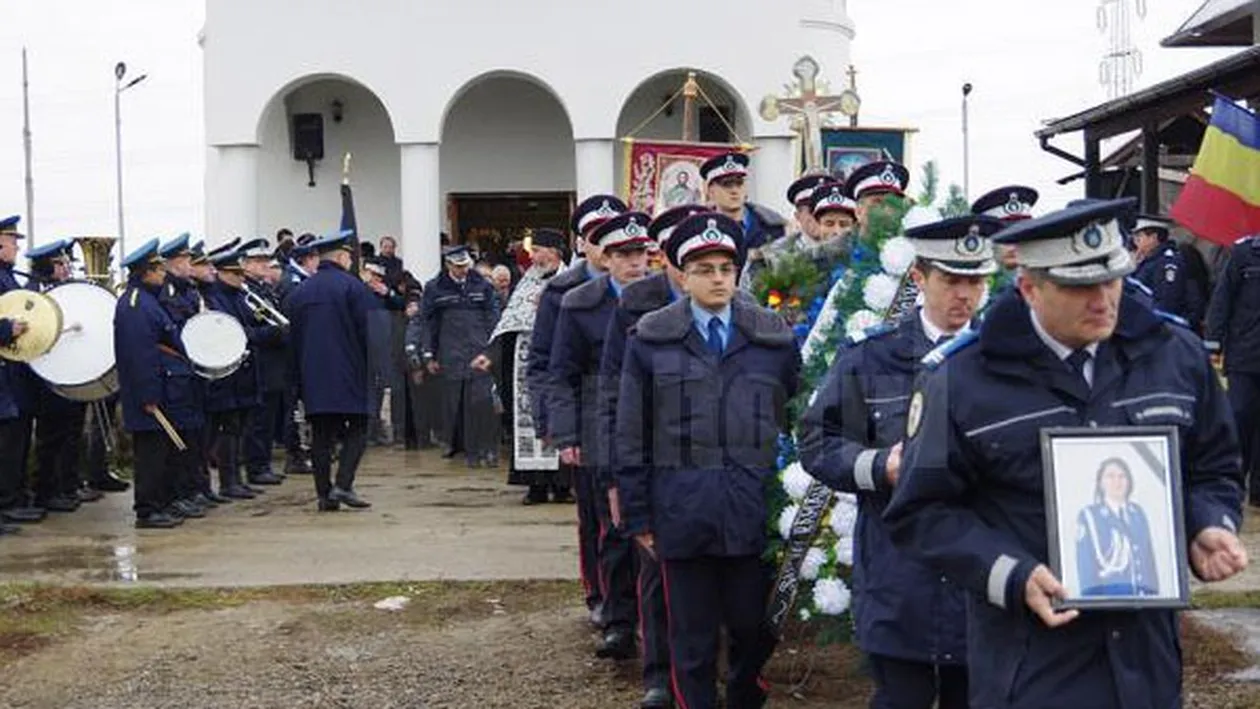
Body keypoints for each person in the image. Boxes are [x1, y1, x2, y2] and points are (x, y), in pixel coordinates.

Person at [884, 197, 1247, 708]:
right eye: (1079, 286)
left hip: (1145, 663)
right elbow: (922, 512)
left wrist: (1207, 522)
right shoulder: (964, 381)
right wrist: (1010, 573)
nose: (1103, 299)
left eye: (1113, 278)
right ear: (1030, 288)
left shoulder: (1173, 354)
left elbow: (1213, 467)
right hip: (1031, 661)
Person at [799, 214, 1004, 709]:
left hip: (980, 575)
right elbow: (817, 440)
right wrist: (877, 466)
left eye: (975, 280)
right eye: (950, 279)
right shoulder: (873, 358)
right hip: (899, 571)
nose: (964, 295)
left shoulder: (1002, 361)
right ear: (918, 277)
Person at [616, 213, 800, 709]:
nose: (718, 277)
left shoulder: (771, 337)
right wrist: (638, 516)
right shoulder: (652, 339)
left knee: (751, 629)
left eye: (726, 267)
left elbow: (795, 415)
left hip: (751, 509)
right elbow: (632, 433)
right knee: (691, 640)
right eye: (704, 268)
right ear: (681, 273)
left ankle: (743, 695)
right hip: (683, 512)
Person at [598, 203, 708, 709]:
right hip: (658, 458)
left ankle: (710, 667)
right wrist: (617, 479)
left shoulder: (737, 307)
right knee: (654, 569)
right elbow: (614, 393)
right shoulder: (636, 304)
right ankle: (659, 674)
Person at [551, 211, 653, 662]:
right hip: (600, 424)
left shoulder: (662, 298)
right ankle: (618, 620)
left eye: (641, 254)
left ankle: (655, 621)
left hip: (653, 425)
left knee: (650, 531)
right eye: (625, 255)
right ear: (606, 258)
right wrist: (567, 432)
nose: (635, 263)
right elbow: (560, 374)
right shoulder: (580, 303)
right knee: (612, 529)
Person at [527, 194, 626, 623]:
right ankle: (600, 595)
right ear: (582, 243)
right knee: (595, 516)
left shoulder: (644, 284)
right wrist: (555, 427)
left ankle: (632, 602)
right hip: (587, 420)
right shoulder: (563, 292)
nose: (606, 246)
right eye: (595, 237)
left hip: (635, 418)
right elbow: (545, 363)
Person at [284, 231, 379, 511]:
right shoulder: (353, 288)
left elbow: (292, 340)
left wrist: (296, 381)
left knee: (322, 436)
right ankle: (343, 484)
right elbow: (370, 332)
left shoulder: (300, 291)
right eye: (349, 256)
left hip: (312, 376)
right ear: (340, 257)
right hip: (350, 372)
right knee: (359, 428)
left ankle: (325, 495)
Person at [114, 239, 204, 529]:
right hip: (149, 395)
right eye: (157, 269)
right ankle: (148, 509)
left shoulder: (151, 301)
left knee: (163, 452)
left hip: (165, 389)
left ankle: (162, 502)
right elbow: (139, 356)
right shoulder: (135, 305)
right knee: (150, 455)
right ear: (144, 273)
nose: (163, 274)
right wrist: (148, 396)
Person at [24, 239, 92, 514]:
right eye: (59, 264)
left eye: (65, 263)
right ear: (45, 265)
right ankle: (46, 491)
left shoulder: (64, 292)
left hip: (70, 374)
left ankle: (68, 485)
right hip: (46, 378)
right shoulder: (32, 296)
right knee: (50, 437)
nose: (65, 269)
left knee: (71, 433)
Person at [204, 242, 274, 500]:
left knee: (239, 428)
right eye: (235, 274)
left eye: (241, 274)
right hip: (227, 375)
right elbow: (233, 333)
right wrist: (266, 333)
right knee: (228, 431)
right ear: (222, 272)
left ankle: (237, 478)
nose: (240, 279)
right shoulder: (216, 298)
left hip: (244, 374)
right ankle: (227, 481)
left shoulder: (237, 296)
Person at [421, 245, 500, 467]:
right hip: (451, 353)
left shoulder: (482, 286)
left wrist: (491, 350)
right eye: (458, 266)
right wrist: (429, 354)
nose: (463, 270)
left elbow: (493, 319)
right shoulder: (434, 288)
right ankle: (469, 451)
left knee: (483, 403)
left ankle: (489, 449)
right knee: (458, 405)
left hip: (479, 351)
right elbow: (429, 323)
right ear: (448, 265)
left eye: (465, 265)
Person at [155, 233, 214, 518]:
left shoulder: (189, 290)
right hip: (175, 372)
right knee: (180, 437)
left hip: (190, 373)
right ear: (171, 263)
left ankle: (194, 488)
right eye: (185, 260)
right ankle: (179, 493)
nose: (189, 265)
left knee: (196, 434)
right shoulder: (166, 293)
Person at [1205, 235, 1260, 506]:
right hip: (1244, 356)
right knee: (1240, 417)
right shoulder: (1244, 254)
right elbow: (1222, 300)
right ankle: (1232, 484)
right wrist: (1213, 343)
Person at [0, 215, 42, 529]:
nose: (16, 246)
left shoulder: (7, 276)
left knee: (15, 443)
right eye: (12, 241)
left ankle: (12, 499)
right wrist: (5, 329)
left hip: (12, 377)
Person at [237, 238, 287, 487]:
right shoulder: (246, 292)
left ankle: (264, 463)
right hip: (260, 363)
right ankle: (256, 467)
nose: (265, 265)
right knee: (258, 422)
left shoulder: (262, 289)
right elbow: (244, 332)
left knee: (268, 420)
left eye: (265, 261)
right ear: (244, 264)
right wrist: (274, 333)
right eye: (258, 261)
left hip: (274, 364)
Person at [1075, 457, 1159, 598]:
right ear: (1101, 483)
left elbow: (1148, 559)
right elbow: (1086, 568)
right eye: (1110, 476)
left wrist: (1154, 596)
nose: (1117, 482)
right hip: (1109, 602)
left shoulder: (1137, 513)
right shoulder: (1089, 516)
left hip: (1142, 598)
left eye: (1122, 476)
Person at [744, 174, 844, 286]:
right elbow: (753, 296)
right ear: (798, 216)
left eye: (823, 211)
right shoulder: (772, 256)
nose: (817, 217)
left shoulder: (852, 251)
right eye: (811, 210)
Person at [699, 151, 786, 256]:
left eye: (739, 184)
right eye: (727, 185)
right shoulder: (701, 229)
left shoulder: (771, 226)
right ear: (711, 191)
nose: (734, 191)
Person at [1130, 214, 1203, 328]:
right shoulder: (1150, 261)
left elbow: (1166, 302)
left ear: (1153, 238)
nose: (1136, 242)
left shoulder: (1167, 263)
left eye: (1140, 237)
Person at [843, 161, 911, 233]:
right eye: (877, 203)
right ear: (858, 211)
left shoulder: (912, 243)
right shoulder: (838, 244)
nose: (886, 211)